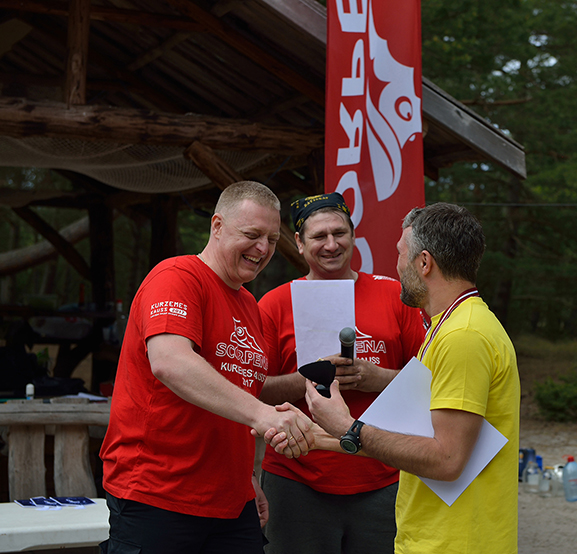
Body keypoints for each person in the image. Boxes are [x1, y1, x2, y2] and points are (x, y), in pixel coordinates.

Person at [99, 181, 315, 554]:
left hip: (232, 500)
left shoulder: (249, 305)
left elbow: (238, 394)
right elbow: (170, 361)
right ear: (217, 226)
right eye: (251, 234)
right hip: (159, 493)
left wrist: (247, 477)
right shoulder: (177, 276)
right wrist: (264, 415)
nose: (263, 248)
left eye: (271, 239)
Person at [302, 202, 520, 554]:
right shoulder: (448, 326)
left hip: (456, 543)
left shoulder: (463, 335)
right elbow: (416, 439)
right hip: (438, 538)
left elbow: (446, 460)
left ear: (424, 262)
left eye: (400, 254)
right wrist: (316, 436)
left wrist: (347, 428)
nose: (397, 265)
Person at [257, 192, 426, 554]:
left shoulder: (395, 295)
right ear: (299, 243)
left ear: (353, 235)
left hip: (384, 474)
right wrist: (307, 378)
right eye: (319, 236)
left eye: (339, 233)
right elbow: (253, 390)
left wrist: (376, 377)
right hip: (296, 478)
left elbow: (430, 381)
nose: (331, 245)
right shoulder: (274, 304)